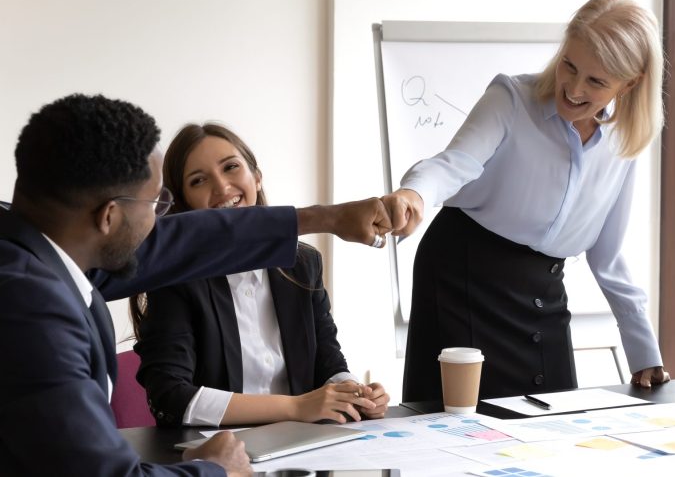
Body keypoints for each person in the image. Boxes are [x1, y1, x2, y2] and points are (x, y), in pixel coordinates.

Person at [0, 94, 391, 476]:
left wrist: (330, 218)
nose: (160, 226)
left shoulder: (36, 255)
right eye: (156, 206)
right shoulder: (32, 310)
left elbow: (187, 242)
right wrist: (214, 470)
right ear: (109, 217)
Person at [381, 0, 669, 402]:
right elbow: (454, 163)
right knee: (465, 431)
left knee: (552, 429)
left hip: (544, 292)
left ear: (632, 81)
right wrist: (413, 194)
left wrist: (643, 351)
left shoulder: (624, 139)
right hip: (464, 275)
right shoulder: (512, 99)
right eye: (570, 65)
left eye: (596, 81)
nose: (572, 88)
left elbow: (607, 255)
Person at [131, 123, 389, 428]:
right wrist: (295, 407)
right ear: (183, 202)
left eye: (231, 167)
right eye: (198, 180)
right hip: (217, 455)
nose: (222, 187)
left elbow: (327, 360)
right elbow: (171, 397)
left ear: (257, 176)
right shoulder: (175, 277)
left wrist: (353, 392)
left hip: (301, 449)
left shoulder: (303, 262)